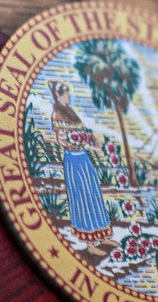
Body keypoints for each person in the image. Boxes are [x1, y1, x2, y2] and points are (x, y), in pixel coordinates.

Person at [48, 81, 112, 241]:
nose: (68, 97)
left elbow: (82, 133)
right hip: (73, 158)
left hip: (83, 157)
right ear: (58, 96)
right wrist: (78, 144)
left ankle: (102, 234)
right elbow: (62, 139)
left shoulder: (70, 111)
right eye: (66, 94)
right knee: (81, 195)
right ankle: (89, 241)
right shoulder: (57, 113)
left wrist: (92, 142)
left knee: (93, 191)